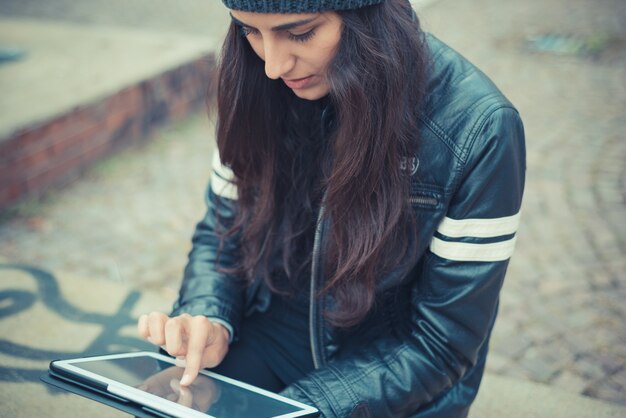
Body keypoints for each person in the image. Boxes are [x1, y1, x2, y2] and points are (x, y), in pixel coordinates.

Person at [137, 0, 526, 416]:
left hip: (389, 379)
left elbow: (442, 344)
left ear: (369, 15)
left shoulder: (477, 126)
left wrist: (297, 410)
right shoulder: (253, 80)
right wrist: (208, 317)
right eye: (249, 31)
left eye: (300, 33)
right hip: (266, 335)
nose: (273, 64)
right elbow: (222, 232)